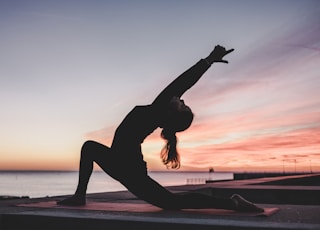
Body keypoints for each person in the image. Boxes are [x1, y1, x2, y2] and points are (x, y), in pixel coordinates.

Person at [57, 45, 263, 212]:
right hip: (119, 161)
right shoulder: (156, 113)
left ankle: (232, 203)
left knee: (172, 203)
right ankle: (80, 196)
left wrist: (208, 61)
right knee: (89, 147)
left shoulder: (157, 111)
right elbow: (180, 88)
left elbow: (182, 83)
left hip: (129, 169)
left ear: (171, 115)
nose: (181, 99)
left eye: (182, 105)